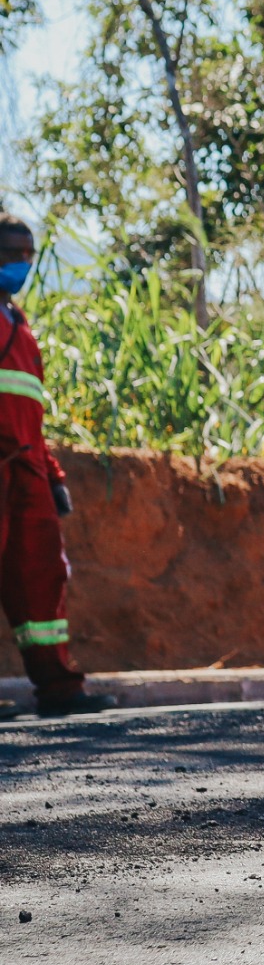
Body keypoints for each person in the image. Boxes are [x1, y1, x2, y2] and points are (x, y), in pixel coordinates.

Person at [0, 217, 85, 718]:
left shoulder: (21, 325)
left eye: (28, 255)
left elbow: (31, 414)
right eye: (12, 252)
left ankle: (59, 688)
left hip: (27, 470)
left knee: (42, 578)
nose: (22, 264)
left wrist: (53, 475)